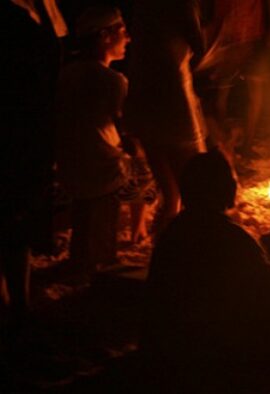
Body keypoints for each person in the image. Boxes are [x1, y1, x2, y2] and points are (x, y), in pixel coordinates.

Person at [140, 150, 270, 390]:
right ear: (227, 190)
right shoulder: (236, 239)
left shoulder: (171, 235)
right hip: (219, 365)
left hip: (165, 358)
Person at [1, 0, 67, 328]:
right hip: (20, 131)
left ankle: (15, 301)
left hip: (24, 129)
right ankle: (19, 306)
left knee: (14, 218)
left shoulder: (27, 19)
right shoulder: (21, 23)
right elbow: (49, 63)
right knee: (15, 220)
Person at [55, 6, 132, 282]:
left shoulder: (66, 74)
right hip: (103, 169)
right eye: (122, 32)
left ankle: (80, 261)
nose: (128, 39)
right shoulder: (112, 81)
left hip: (71, 168)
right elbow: (126, 131)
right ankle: (97, 268)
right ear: (105, 36)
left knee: (84, 220)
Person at [123, 0, 207, 234]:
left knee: (169, 192)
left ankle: (163, 249)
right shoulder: (182, 4)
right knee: (194, 183)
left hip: (143, 92)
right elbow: (199, 46)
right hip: (173, 92)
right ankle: (186, 248)